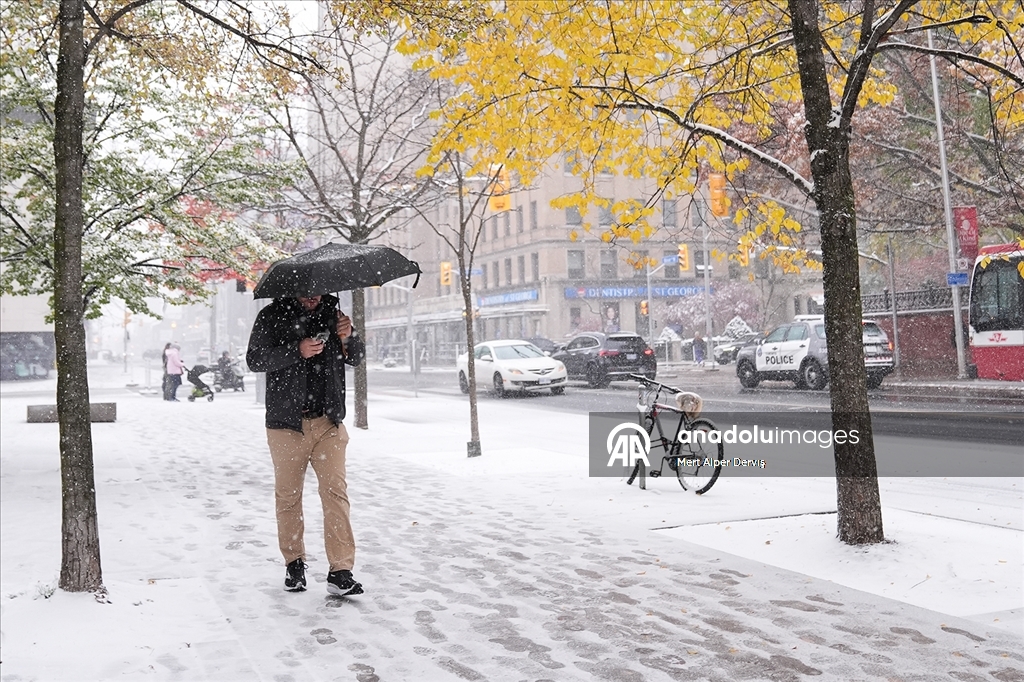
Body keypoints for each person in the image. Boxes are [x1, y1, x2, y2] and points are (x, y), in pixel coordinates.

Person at [246, 293, 365, 597]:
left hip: (328, 422)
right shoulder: (271, 317)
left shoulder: (334, 315)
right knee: (288, 496)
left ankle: (341, 570)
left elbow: (356, 357)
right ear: (292, 291)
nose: (312, 298)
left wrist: (348, 336)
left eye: (317, 292)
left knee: (336, 494)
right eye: (305, 293)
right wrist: (295, 350)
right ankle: (294, 564)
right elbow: (255, 359)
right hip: (287, 424)